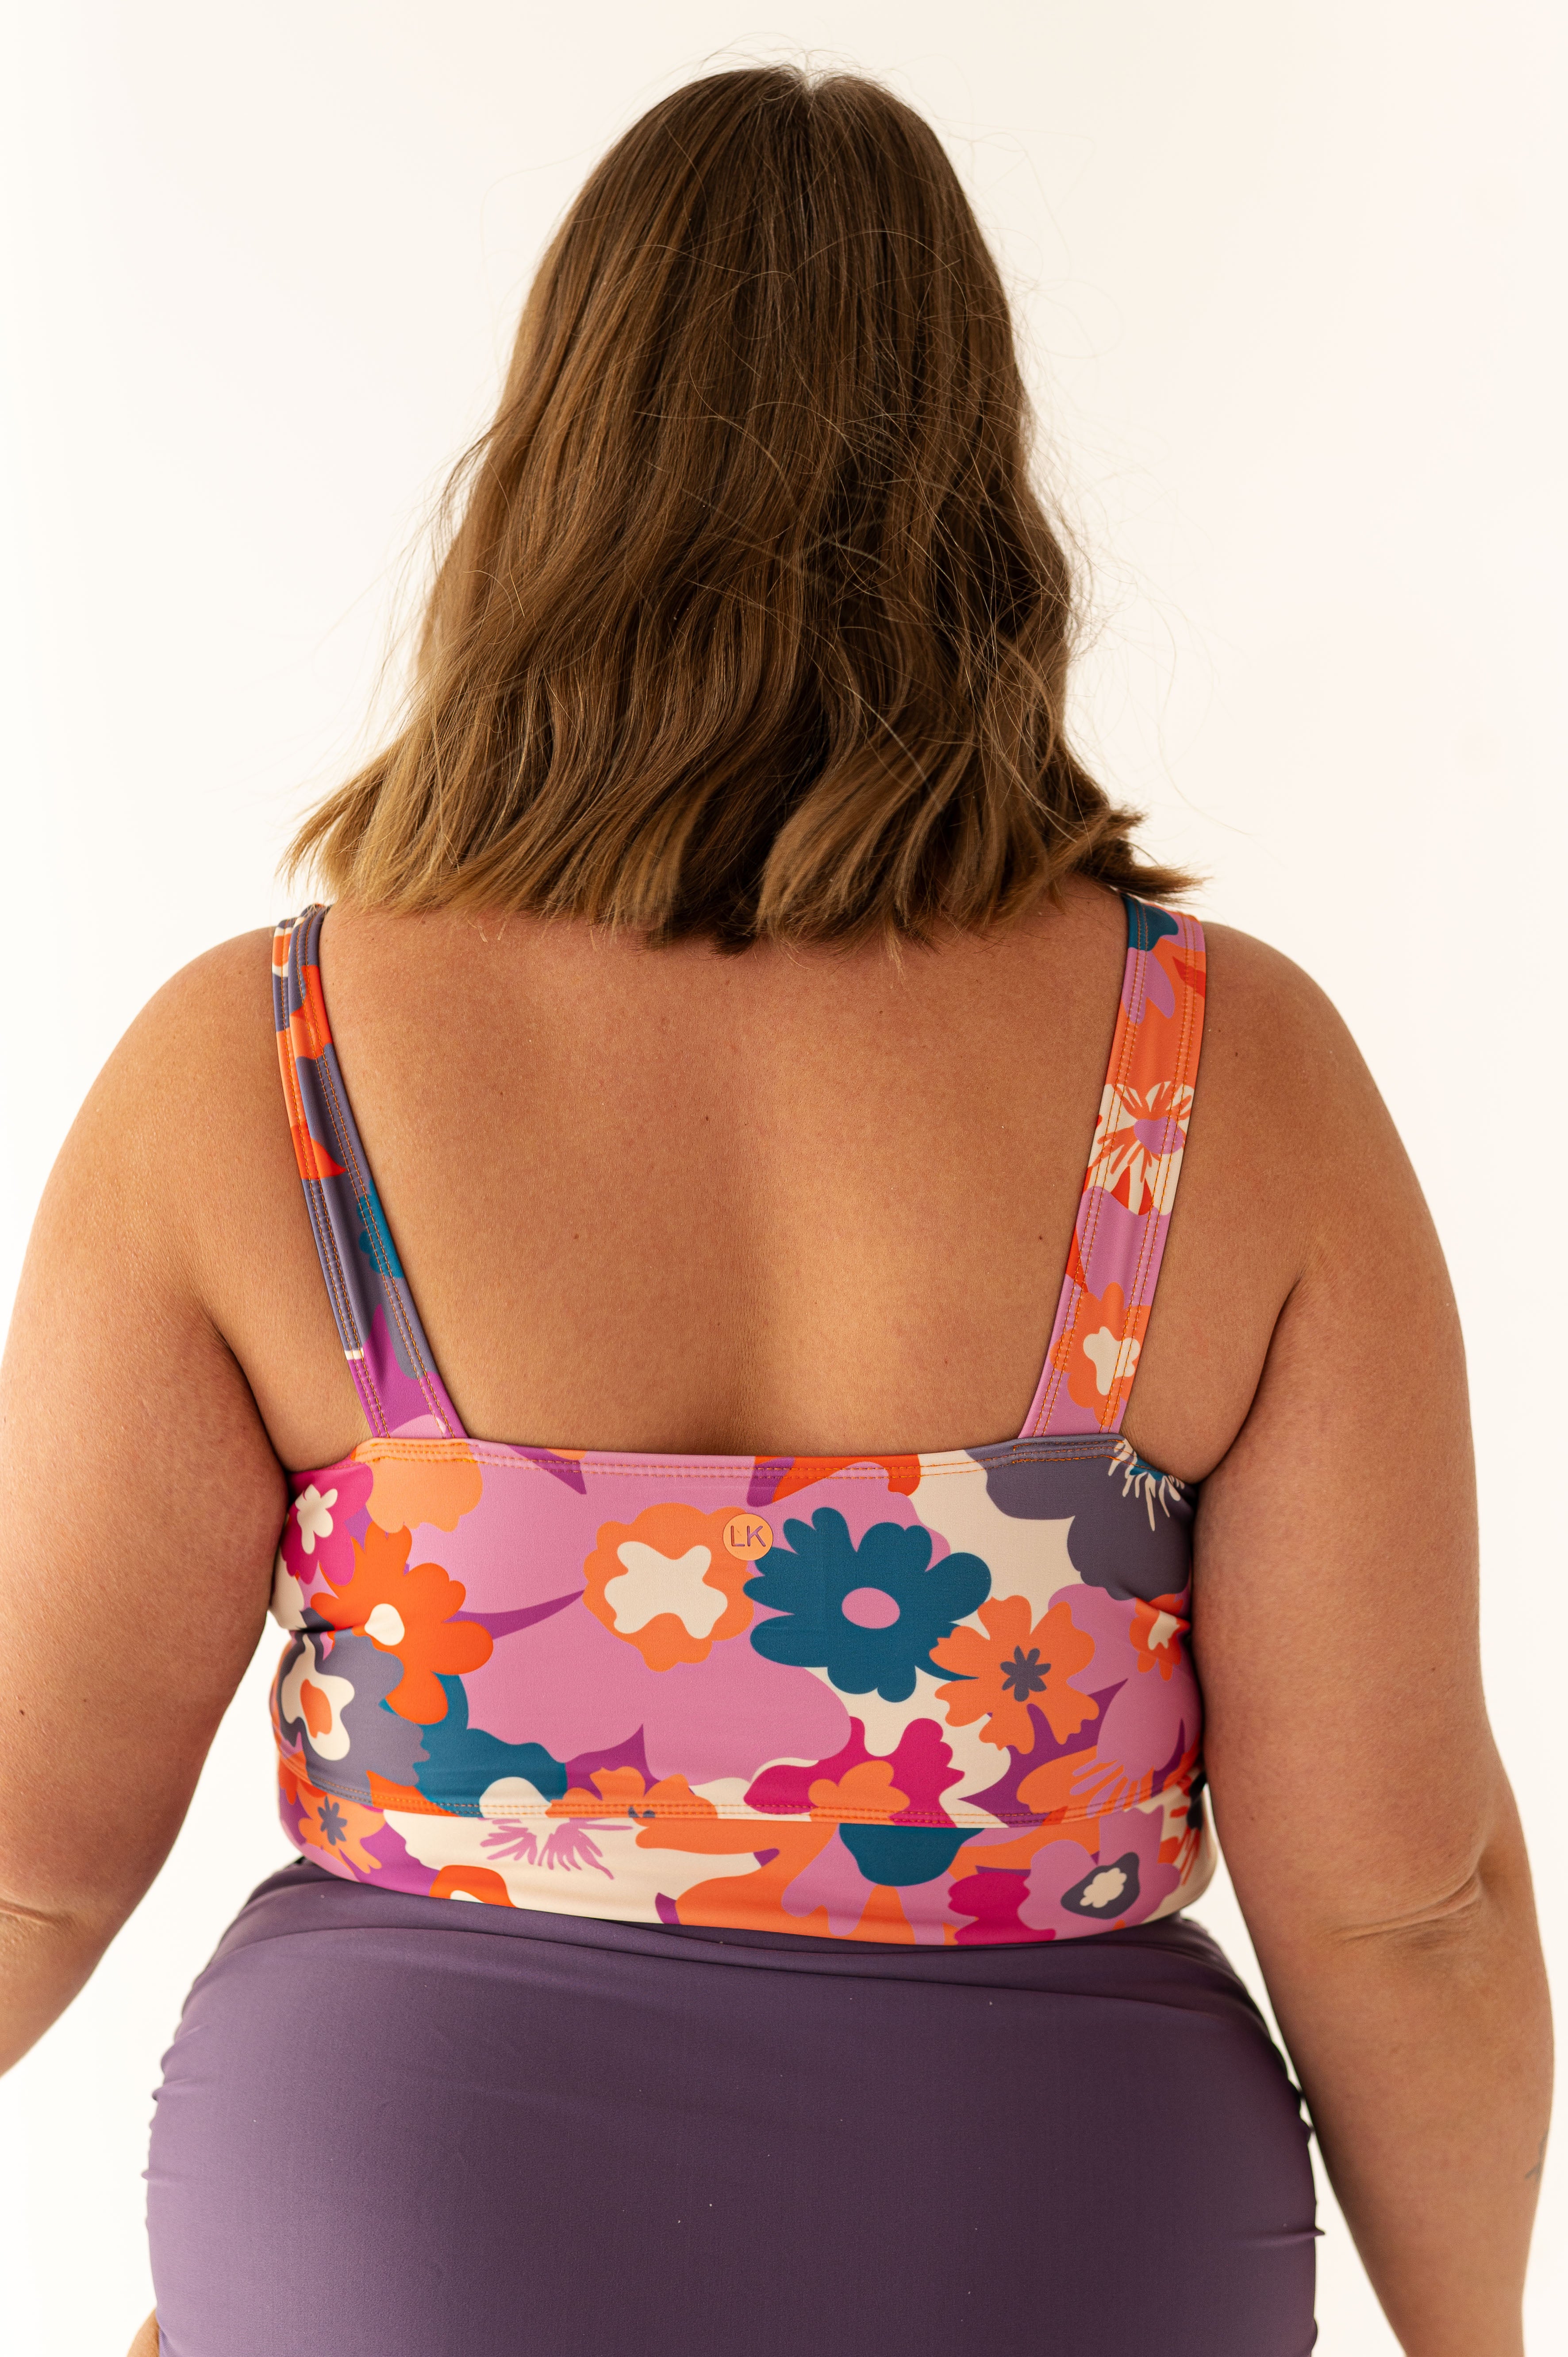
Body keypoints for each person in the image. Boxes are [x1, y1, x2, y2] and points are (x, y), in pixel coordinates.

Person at [0, 64, 1549, 2357]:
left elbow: (28, 1864)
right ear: (982, 489)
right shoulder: (1225, 1074)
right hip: (1052, 2222)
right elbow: (1404, 1904)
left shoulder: (264, 1066)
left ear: (542, 476)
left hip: (411, 2212)